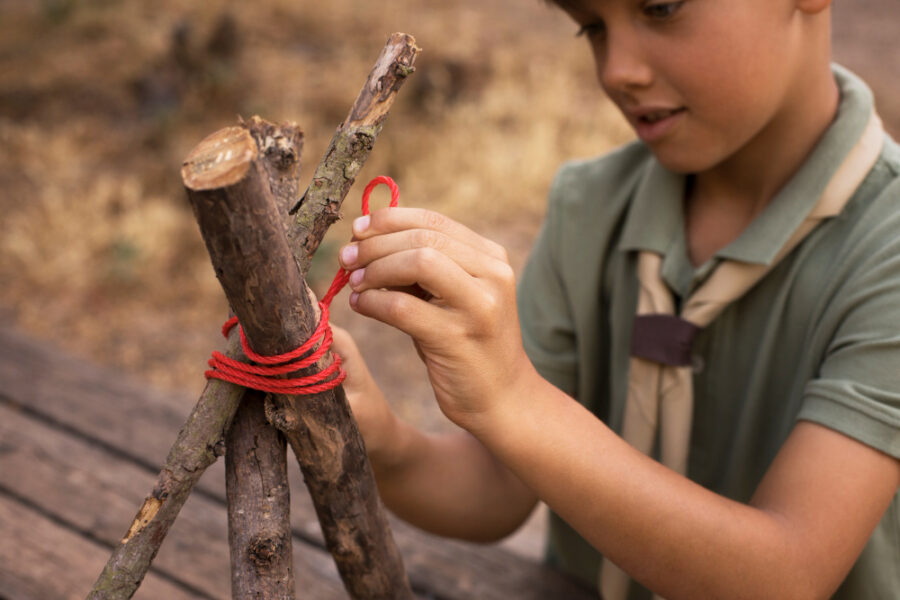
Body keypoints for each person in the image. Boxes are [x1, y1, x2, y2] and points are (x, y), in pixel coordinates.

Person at [330, 0, 900, 597]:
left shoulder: (883, 247)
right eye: (593, 27)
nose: (616, 71)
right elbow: (500, 486)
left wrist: (513, 396)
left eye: (661, 7)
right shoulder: (590, 207)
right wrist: (380, 440)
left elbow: (786, 577)